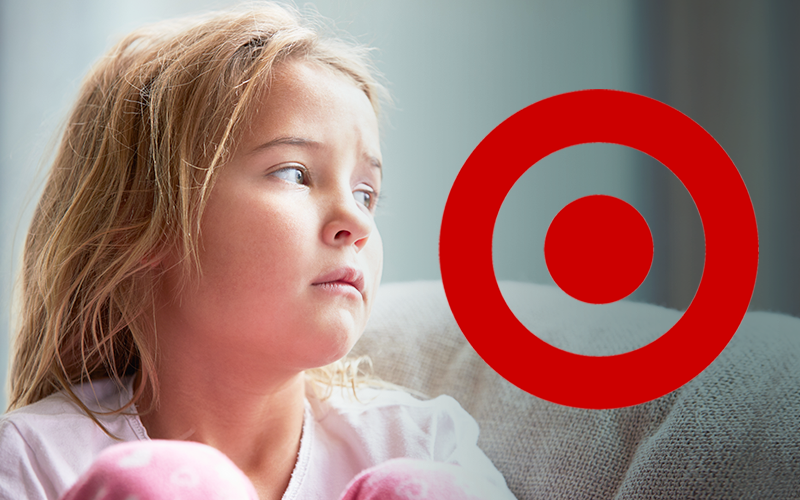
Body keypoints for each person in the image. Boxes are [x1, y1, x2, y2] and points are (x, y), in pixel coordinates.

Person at [0, 4, 516, 500]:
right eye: (295, 173)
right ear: (143, 226)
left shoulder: (421, 446)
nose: (357, 222)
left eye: (366, 194)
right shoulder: (35, 461)